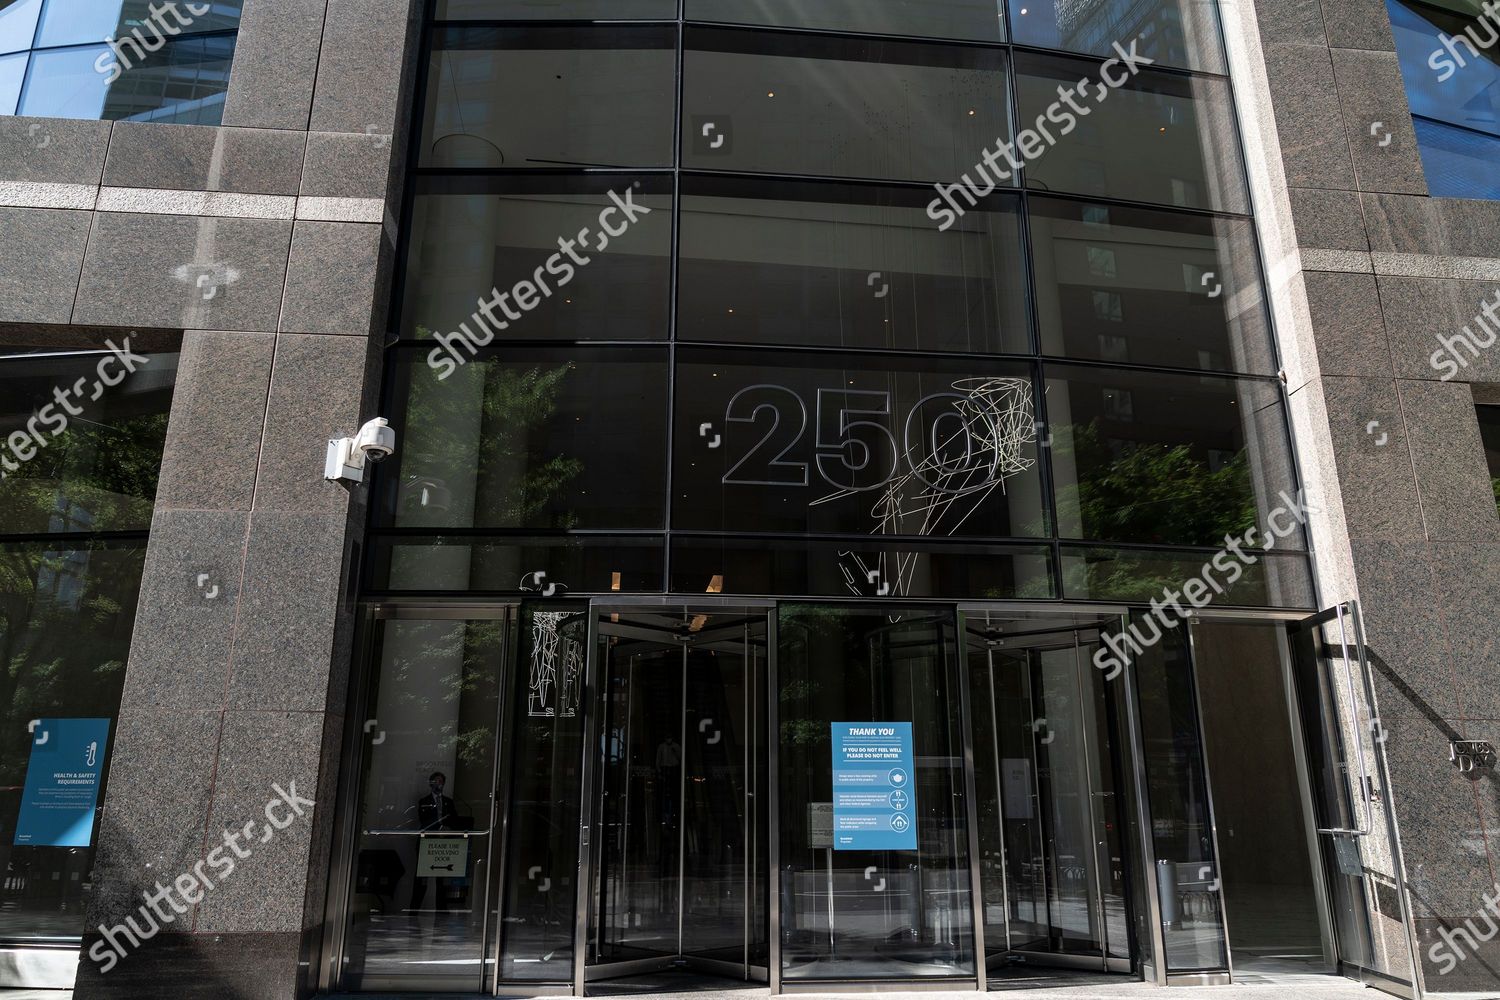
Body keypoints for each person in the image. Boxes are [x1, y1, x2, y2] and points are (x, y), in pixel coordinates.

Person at [410, 772, 457, 913]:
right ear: (431, 783)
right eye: (436, 781)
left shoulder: (449, 802)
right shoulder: (424, 801)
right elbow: (424, 820)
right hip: (428, 842)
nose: (439, 784)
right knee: (422, 877)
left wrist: (447, 828)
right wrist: (438, 827)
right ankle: (414, 909)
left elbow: (454, 819)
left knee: (442, 878)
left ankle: (441, 909)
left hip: (443, 843)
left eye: (441, 781)